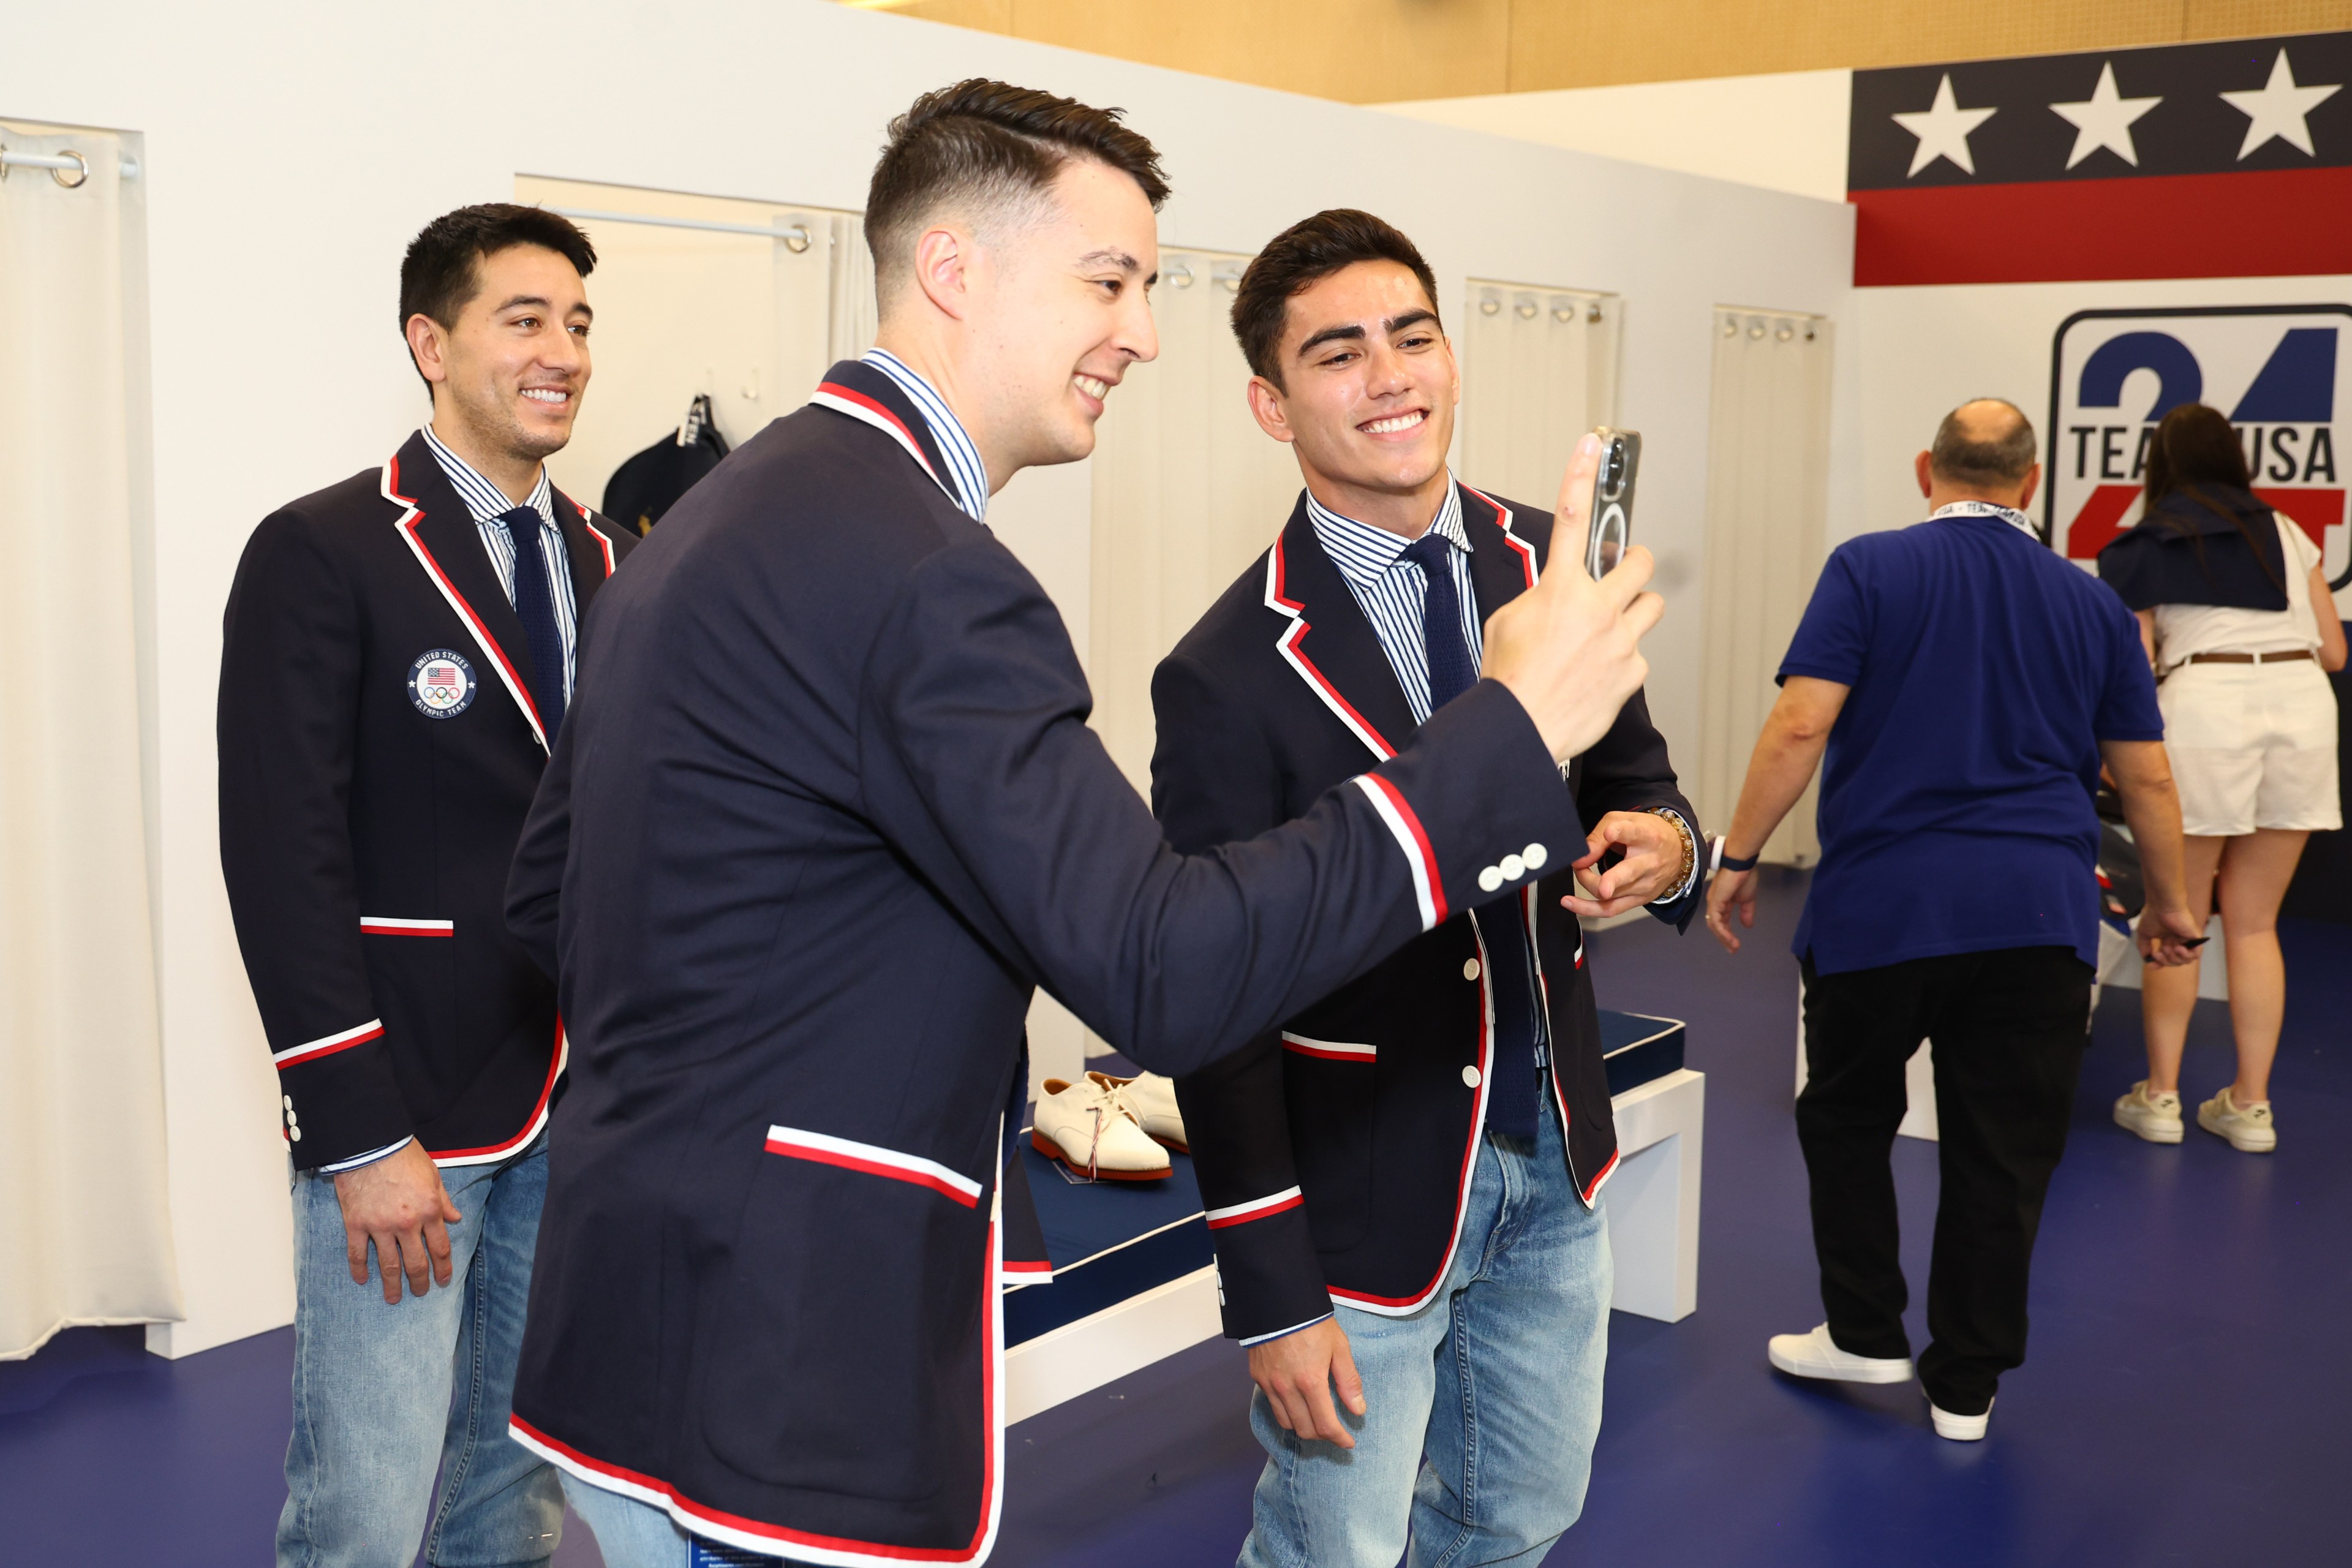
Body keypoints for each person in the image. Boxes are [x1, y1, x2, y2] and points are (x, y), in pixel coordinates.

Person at [500, 82, 1663, 1568]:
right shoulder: (926, 570)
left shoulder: (720, 520)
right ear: (955, 272)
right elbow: (1163, 967)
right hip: (789, 1353)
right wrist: (1501, 733)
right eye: (1108, 280)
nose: (1143, 330)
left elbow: (553, 904)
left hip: (627, 1319)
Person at [1150, 209, 1699, 1568]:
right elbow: (1215, 1004)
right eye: (1339, 353)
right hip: (1360, 1189)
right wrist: (1271, 1295)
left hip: (1554, 1155)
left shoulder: (1544, 568)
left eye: (1413, 334)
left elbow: (1644, 776)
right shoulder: (1223, 671)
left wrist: (1668, 845)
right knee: (1330, 1547)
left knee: (1518, 1517)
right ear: (1272, 404)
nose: (1390, 373)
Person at [217, 205, 633, 1567]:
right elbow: (282, 855)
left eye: (577, 322)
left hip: (572, 1100)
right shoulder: (322, 549)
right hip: (410, 1115)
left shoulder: (606, 556)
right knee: (365, 1501)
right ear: (431, 342)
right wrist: (356, 1131)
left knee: (509, 1491)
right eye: (525, 319)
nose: (562, 350)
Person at [1703, 399, 2201, 1443]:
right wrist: (2172, 907)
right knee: (2004, 1152)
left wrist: (1740, 855)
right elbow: (2147, 778)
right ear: (2029, 484)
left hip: (1884, 909)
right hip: (2039, 919)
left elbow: (1802, 719)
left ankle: (1865, 1330)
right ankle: (1966, 1387)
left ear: (1926, 469)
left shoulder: (1869, 568)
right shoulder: (2093, 605)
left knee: (1845, 1117)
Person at [2100, 402, 2347, 1153]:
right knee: (2255, 920)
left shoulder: (2143, 543)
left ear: (2160, 465)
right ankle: (2251, 1107)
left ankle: (2164, 1098)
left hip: (2205, 711)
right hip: (2304, 711)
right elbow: (2335, 651)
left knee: (2181, 912)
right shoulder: (2285, 528)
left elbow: (2134, 666)